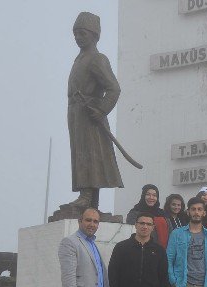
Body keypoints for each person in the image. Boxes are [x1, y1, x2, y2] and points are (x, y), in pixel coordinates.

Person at [67, 12, 123, 209]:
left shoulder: (97, 59)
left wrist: (102, 109)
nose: (78, 37)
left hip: (90, 113)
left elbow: (114, 88)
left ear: (94, 35)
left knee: (90, 153)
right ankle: (89, 199)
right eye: (75, 34)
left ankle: (87, 196)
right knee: (80, 152)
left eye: (82, 33)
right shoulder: (79, 59)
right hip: (76, 113)